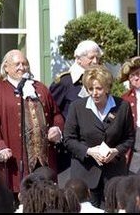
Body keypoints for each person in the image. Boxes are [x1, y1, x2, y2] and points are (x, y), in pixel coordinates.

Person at [0, 49, 64, 201]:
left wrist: (57, 129)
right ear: (6, 67)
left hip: (44, 162)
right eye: (17, 64)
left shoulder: (40, 88)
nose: (22, 67)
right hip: (14, 162)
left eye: (24, 64)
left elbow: (56, 114)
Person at [63, 65, 135, 208]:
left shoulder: (123, 106)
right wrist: (89, 151)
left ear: (107, 88)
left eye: (99, 88)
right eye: (90, 89)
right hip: (86, 173)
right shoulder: (77, 107)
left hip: (114, 174)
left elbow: (130, 138)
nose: (94, 93)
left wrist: (116, 151)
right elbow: (68, 139)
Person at [49, 40, 103, 185]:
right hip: (70, 151)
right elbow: (51, 111)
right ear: (78, 59)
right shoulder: (65, 82)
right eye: (91, 57)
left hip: (96, 147)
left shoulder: (102, 81)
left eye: (97, 57)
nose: (95, 61)